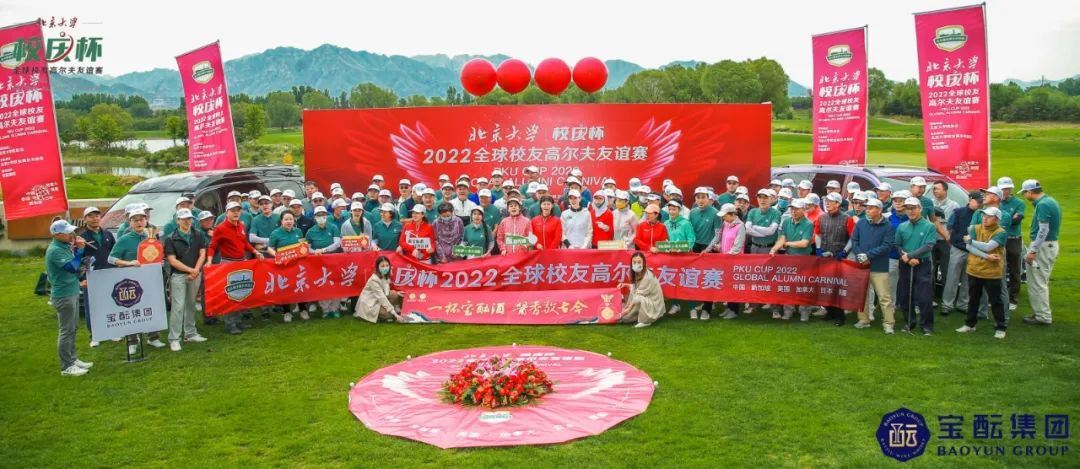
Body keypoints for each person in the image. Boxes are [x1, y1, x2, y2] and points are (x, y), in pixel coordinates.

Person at [109, 207, 167, 352]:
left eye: (141, 219)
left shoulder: (151, 238)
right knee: (132, 308)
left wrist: (159, 261)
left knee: (152, 307)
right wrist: (129, 263)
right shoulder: (124, 239)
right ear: (130, 222)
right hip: (131, 280)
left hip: (150, 279)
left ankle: (153, 337)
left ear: (146, 220)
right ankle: (132, 341)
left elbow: (157, 255)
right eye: (135, 220)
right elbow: (111, 258)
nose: (139, 222)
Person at [207, 201, 264, 334]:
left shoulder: (241, 225)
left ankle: (238, 321)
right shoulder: (220, 228)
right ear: (226, 213)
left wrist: (255, 251)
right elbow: (212, 245)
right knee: (230, 294)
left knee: (240, 292)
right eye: (233, 211)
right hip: (228, 263)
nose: (236, 213)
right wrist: (209, 260)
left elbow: (244, 243)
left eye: (238, 210)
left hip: (241, 262)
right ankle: (230, 324)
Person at [46, 219, 93, 376]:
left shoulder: (64, 246)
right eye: (67, 233)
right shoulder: (55, 250)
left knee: (73, 328)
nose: (71, 234)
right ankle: (66, 366)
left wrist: (76, 249)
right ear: (57, 235)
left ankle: (72, 359)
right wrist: (80, 251)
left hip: (71, 290)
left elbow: (75, 266)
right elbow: (72, 267)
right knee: (66, 330)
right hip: (63, 294)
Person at [955, 206, 1009, 339]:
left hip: (992, 272)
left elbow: (988, 246)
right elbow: (969, 247)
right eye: (984, 215)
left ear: (996, 219)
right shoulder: (975, 228)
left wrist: (971, 241)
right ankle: (970, 324)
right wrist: (987, 256)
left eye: (989, 216)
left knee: (995, 300)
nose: (985, 218)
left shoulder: (1001, 232)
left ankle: (1001, 327)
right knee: (973, 299)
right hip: (974, 269)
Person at [162, 208, 208, 351]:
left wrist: (196, 270)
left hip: (194, 274)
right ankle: (174, 338)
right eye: (184, 219)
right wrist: (191, 270)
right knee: (178, 306)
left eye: (189, 219)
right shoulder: (170, 238)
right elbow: (172, 260)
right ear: (178, 221)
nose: (187, 222)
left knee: (191, 304)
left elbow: (202, 253)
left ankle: (190, 333)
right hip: (178, 276)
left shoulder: (198, 234)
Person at [850, 198, 897, 334]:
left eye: (871, 208)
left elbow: (887, 246)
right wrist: (860, 255)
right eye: (867, 208)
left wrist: (868, 255)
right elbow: (854, 240)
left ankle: (888, 324)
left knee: (884, 297)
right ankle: (863, 320)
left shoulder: (888, 226)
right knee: (862, 295)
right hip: (862, 265)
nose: (867, 210)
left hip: (879, 267)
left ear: (879, 210)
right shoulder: (861, 223)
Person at [895, 197, 938, 335]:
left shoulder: (929, 226)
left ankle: (927, 325)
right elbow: (897, 245)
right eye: (908, 208)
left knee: (924, 297)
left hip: (923, 264)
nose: (910, 211)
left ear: (920, 208)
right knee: (904, 296)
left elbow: (929, 245)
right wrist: (907, 258)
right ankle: (910, 322)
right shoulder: (902, 226)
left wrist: (910, 255)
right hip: (906, 264)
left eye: (913, 208)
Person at [1019, 179, 1059, 326]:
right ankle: (1040, 312)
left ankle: (1043, 316)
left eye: (1024, 193)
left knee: (1038, 282)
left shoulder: (1043, 205)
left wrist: (1033, 250)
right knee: (1040, 281)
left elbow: (1043, 230)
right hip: (1049, 245)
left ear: (1030, 192)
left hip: (1043, 246)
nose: (1024, 196)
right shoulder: (1050, 201)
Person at [815, 193, 855, 326]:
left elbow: (852, 238)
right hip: (824, 256)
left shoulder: (847, 218)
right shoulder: (821, 217)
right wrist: (818, 249)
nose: (827, 203)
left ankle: (840, 315)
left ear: (838, 204)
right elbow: (818, 234)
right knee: (826, 285)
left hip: (839, 256)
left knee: (837, 286)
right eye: (826, 201)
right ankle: (830, 311)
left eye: (830, 201)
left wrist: (844, 252)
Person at [771, 198, 814, 321]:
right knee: (788, 285)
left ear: (803, 209)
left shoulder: (808, 224)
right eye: (792, 209)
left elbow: (804, 243)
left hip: (803, 259)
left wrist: (787, 244)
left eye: (796, 209)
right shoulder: (786, 222)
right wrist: (774, 248)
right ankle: (788, 310)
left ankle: (804, 311)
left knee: (803, 286)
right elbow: (782, 238)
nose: (793, 211)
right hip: (789, 258)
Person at [78, 206, 115, 346]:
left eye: (97, 216)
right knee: (92, 306)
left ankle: (111, 331)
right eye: (91, 216)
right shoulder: (82, 237)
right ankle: (95, 335)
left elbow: (114, 253)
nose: (95, 218)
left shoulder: (108, 234)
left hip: (108, 273)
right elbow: (78, 259)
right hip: (91, 275)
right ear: (85, 219)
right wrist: (82, 278)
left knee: (110, 303)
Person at [941, 191, 982, 315]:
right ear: (970, 200)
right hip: (958, 248)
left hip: (974, 249)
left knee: (968, 279)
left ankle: (963, 304)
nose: (980, 204)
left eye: (981, 202)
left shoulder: (982, 214)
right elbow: (950, 227)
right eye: (977, 201)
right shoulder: (958, 212)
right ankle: (947, 304)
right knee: (952, 278)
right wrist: (955, 240)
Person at [707, 203, 745, 320]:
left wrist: (725, 256)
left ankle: (734, 310)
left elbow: (737, 247)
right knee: (727, 285)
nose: (723, 218)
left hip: (734, 261)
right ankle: (729, 308)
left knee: (734, 286)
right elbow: (721, 239)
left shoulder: (741, 226)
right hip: (725, 260)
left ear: (732, 214)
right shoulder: (725, 223)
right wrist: (714, 248)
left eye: (725, 215)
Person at [307, 206, 346, 318]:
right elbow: (307, 248)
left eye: (323, 215)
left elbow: (337, 243)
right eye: (318, 215)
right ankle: (325, 309)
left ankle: (335, 308)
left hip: (333, 259)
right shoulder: (310, 231)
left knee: (335, 283)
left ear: (327, 215)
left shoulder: (333, 227)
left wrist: (324, 250)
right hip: (318, 261)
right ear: (315, 217)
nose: (321, 217)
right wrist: (315, 251)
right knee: (322, 284)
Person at [995, 177, 1026, 311]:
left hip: (1013, 238)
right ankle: (997, 296)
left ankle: (1013, 298)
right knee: (997, 267)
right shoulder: (995, 202)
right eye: (1003, 189)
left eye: (1008, 189)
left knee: (1014, 269)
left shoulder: (1019, 203)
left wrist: (1000, 218)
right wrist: (1008, 217)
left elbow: (1016, 221)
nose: (1005, 191)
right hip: (998, 238)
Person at [616, 252, 665, 328]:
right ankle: (632, 314)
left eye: (639, 262)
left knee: (627, 313)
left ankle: (646, 321)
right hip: (645, 298)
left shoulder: (648, 277)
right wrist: (625, 285)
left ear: (643, 263)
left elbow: (639, 295)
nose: (636, 264)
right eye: (634, 262)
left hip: (653, 303)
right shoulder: (638, 273)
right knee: (625, 316)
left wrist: (628, 309)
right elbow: (636, 287)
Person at [931, 181, 960, 307]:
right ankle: (930, 297)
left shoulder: (954, 205)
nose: (935, 191)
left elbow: (954, 224)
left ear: (945, 190)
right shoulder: (929, 203)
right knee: (930, 269)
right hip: (931, 240)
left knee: (946, 269)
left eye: (937, 188)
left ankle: (946, 299)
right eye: (934, 189)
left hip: (945, 241)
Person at [353, 256, 404, 322]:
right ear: (377, 267)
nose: (385, 268)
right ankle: (370, 315)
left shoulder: (385, 275)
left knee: (395, 294)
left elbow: (386, 292)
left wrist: (397, 293)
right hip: (370, 303)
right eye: (382, 266)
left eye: (387, 265)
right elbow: (381, 297)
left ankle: (393, 310)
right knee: (388, 315)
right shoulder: (374, 280)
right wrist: (394, 314)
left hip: (378, 299)